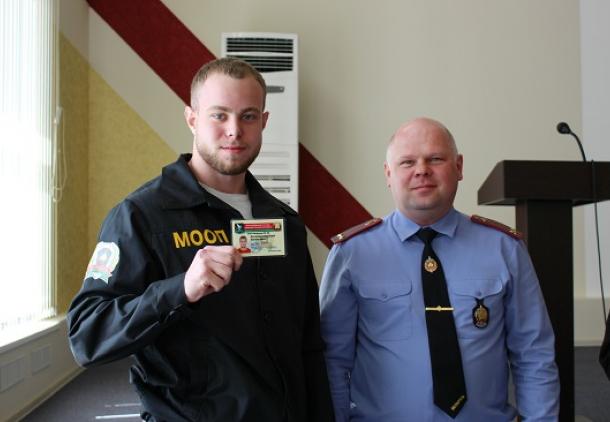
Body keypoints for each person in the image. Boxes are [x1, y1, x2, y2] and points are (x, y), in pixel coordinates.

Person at [68, 58, 334, 422]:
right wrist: (180, 290)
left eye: (248, 116)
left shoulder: (284, 223)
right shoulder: (141, 216)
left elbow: (308, 346)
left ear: (264, 122)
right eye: (219, 115)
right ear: (192, 119)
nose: (234, 131)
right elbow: (87, 336)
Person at [319, 117, 559, 421]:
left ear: (458, 167)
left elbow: (533, 355)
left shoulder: (504, 248)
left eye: (435, 159)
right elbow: (332, 362)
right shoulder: (352, 254)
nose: (422, 170)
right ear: (388, 173)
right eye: (407, 162)